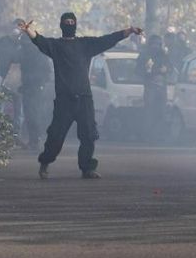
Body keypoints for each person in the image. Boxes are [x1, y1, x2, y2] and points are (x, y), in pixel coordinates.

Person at [18, 12, 142, 179]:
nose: (69, 24)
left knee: (89, 135)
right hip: (64, 101)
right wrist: (28, 30)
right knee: (56, 136)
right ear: (61, 25)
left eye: (72, 21)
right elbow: (40, 40)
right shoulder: (55, 46)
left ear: (75, 24)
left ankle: (87, 168)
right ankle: (45, 162)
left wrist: (128, 31)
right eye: (66, 22)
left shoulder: (86, 44)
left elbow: (108, 39)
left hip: (84, 98)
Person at [18, 22, 52, 151]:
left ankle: (35, 140)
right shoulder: (27, 53)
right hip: (30, 87)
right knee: (30, 114)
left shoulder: (37, 53)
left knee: (33, 114)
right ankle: (34, 140)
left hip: (36, 87)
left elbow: (46, 73)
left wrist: (38, 83)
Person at [136, 35, 173, 143]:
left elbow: (170, 68)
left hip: (162, 87)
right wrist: (147, 71)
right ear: (150, 44)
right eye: (154, 44)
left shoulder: (163, 55)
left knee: (162, 111)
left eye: (158, 44)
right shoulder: (144, 55)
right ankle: (147, 135)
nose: (156, 46)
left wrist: (166, 69)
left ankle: (160, 135)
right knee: (149, 111)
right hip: (150, 86)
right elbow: (138, 70)